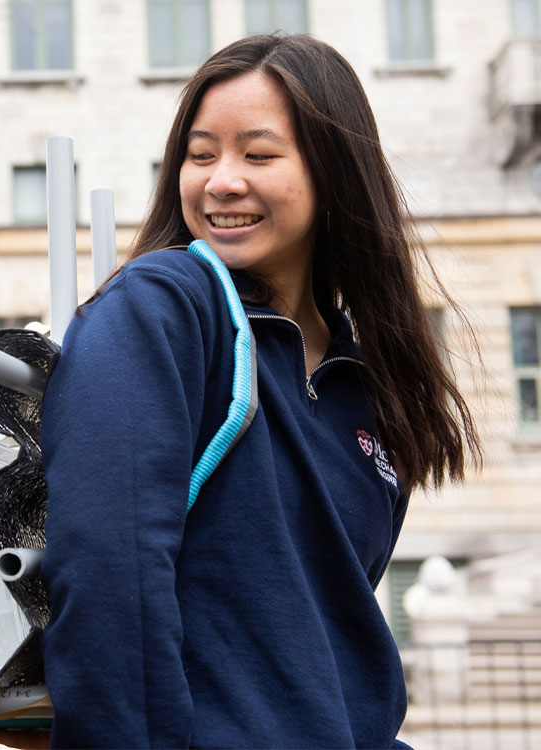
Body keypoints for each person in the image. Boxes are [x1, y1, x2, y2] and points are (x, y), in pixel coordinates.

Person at [38, 34, 481, 748]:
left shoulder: (369, 385)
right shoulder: (165, 303)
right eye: (201, 153)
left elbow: (331, 632)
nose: (220, 180)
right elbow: (106, 565)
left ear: (334, 173)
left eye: (258, 154)